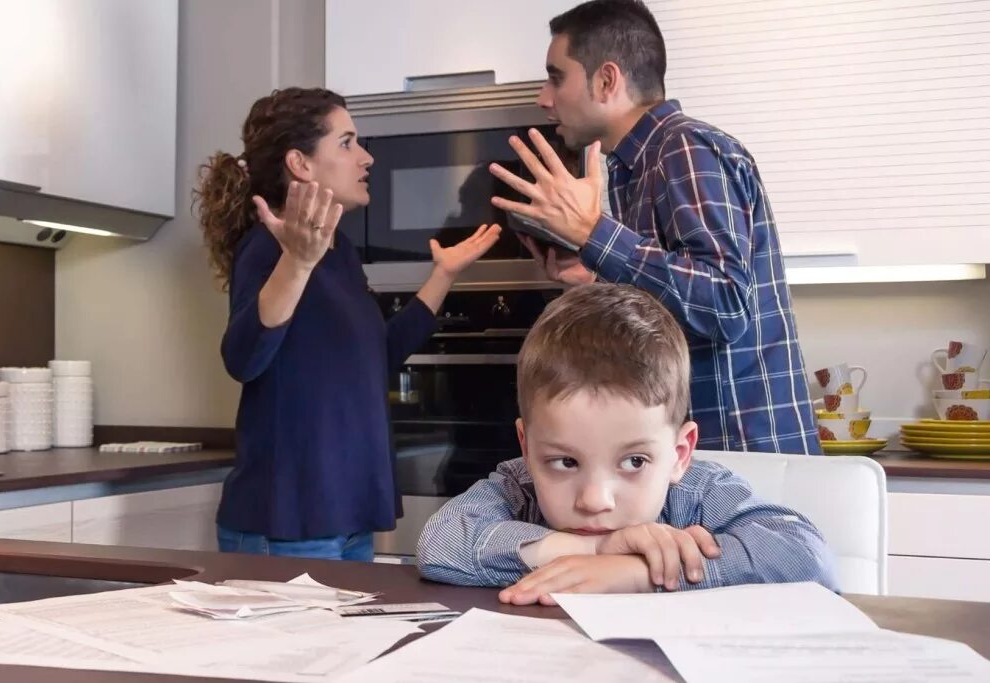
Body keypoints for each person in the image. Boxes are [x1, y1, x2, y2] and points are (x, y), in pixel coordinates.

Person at [489, 0, 819, 454]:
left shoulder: (683, 147)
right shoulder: (632, 168)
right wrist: (595, 278)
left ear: (606, 80)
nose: (544, 97)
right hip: (702, 458)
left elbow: (726, 303)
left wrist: (593, 234)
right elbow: (679, 307)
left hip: (745, 457)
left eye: (556, 77)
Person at [194, 87, 500, 561]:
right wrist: (297, 262)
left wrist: (444, 275)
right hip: (290, 523)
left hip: (347, 518)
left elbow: (377, 356)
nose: (366, 157)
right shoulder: (268, 247)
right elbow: (243, 357)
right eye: (347, 142)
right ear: (301, 163)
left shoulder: (339, 255)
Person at [416, 284, 837, 604]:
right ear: (526, 447)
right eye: (564, 462)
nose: (595, 501)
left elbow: (807, 556)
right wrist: (595, 548)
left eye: (634, 461)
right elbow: (439, 544)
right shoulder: (517, 484)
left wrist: (638, 572)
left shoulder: (699, 492)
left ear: (679, 454)